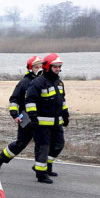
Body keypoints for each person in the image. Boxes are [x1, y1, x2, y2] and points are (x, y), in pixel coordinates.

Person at [24, 53, 69, 184]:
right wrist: (33, 118)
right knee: (43, 148)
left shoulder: (59, 83)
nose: (58, 69)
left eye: (59, 67)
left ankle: (46, 166)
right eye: (55, 67)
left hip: (56, 122)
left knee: (58, 145)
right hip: (41, 123)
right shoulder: (38, 82)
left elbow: (62, 100)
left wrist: (65, 115)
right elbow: (30, 100)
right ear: (48, 67)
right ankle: (41, 173)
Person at [0, 55, 41, 172]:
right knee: (21, 144)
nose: (39, 68)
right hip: (25, 117)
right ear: (30, 68)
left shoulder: (45, 82)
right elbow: (14, 99)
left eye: (41, 66)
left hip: (41, 117)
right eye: (36, 67)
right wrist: (15, 114)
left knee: (43, 142)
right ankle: (1, 158)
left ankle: (42, 167)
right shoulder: (24, 83)